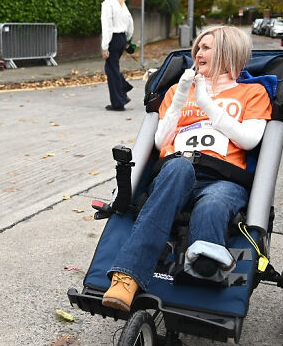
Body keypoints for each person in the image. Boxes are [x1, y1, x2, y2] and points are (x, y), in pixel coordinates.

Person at [102, 25, 272, 312]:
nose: (198, 52)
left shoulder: (252, 93)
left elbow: (249, 138)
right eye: (198, 48)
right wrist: (181, 98)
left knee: (213, 205)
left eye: (206, 47)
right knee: (180, 168)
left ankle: (203, 271)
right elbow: (160, 141)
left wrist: (207, 103)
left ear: (229, 52)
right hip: (175, 171)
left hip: (224, 178)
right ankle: (126, 277)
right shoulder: (178, 90)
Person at [99, 0, 134, 111]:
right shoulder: (120, 3)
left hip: (113, 39)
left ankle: (118, 102)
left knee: (111, 70)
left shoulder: (107, 4)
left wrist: (105, 47)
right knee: (112, 68)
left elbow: (107, 27)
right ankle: (123, 90)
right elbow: (130, 22)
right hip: (122, 38)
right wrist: (127, 39)